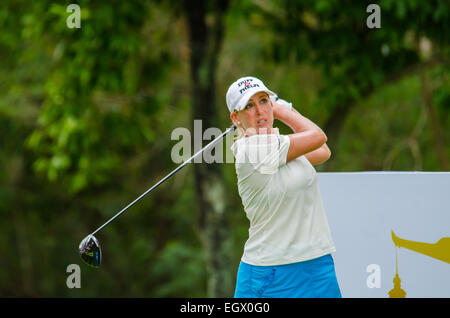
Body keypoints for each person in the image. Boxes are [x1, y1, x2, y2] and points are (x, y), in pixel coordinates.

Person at [226, 76, 342, 298]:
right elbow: (318, 136)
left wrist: (276, 108)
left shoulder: (281, 145)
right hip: (270, 276)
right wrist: (280, 109)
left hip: (316, 267)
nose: (260, 111)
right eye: (249, 106)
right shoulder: (252, 150)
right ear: (236, 117)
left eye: (263, 101)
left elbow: (323, 151)